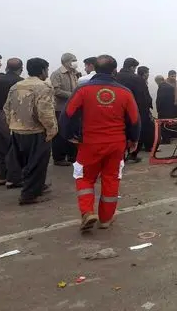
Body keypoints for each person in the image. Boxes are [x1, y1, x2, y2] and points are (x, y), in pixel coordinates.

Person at [59, 55, 140, 231]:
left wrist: (68, 135)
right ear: (115, 71)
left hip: (89, 143)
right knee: (111, 179)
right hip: (116, 144)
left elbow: (67, 114)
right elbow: (134, 120)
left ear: (94, 69)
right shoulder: (125, 92)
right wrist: (134, 140)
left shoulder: (82, 90)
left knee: (85, 177)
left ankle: (87, 212)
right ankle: (105, 219)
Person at [4, 58, 57, 205]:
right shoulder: (43, 87)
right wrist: (51, 130)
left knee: (25, 161)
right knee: (37, 163)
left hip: (18, 130)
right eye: (46, 69)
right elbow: (44, 112)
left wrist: (12, 124)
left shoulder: (16, 86)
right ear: (42, 71)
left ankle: (36, 186)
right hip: (36, 131)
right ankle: (29, 195)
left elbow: (7, 108)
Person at [0, 58, 24, 187]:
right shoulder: (20, 82)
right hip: (11, 115)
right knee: (13, 146)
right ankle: (14, 177)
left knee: (0, 146)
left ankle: (2, 175)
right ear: (21, 68)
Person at [116, 58, 150, 161]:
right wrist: (145, 113)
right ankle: (133, 154)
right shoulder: (137, 79)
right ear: (131, 67)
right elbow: (143, 97)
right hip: (133, 110)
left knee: (120, 132)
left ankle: (120, 156)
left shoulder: (115, 76)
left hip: (117, 110)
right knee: (135, 132)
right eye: (134, 68)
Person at [50, 53, 79, 166]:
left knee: (71, 132)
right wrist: (73, 95)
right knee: (60, 134)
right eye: (74, 60)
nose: (76, 62)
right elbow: (56, 91)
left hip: (72, 108)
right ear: (66, 62)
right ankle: (59, 157)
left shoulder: (74, 73)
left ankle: (72, 155)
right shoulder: (57, 74)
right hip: (60, 108)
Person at [155, 75, 177, 144]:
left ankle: (165, 140)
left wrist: (158, 108)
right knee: (168, 124)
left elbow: (159, 100)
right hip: (170, 109)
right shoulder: (170, 87)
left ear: (159, 80)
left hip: (163, 110)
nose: (157, 83)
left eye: (156, 82)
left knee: (163, 125)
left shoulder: (161, 87)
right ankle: (169, 138)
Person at [137, 66, 154, 152]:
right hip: (142, 108)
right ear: (144, 73)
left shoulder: (141, 81)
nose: (148, 74)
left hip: (141, 108)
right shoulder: (140, 81)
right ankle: (148, 146)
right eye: (147, 73)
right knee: (148, 127)